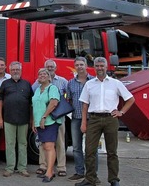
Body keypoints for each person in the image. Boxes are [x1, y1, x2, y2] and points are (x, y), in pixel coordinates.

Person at [77, 57, 135, 186]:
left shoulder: (115, 83)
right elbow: (85, 105)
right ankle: (90, 179)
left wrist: (122, 112)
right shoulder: (89, 84)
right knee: (90, 150)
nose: (99, 68)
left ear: (106, 67)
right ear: (94, 67)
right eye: (97, 66)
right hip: (94, 119)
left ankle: (114, 179)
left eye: (101, 66)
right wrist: (83, 122)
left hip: (111, 119)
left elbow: (130, 99)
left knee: (112, 151)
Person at [0, 61, 32, 177]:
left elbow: (31, 103)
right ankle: (10, 168)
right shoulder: (5, 84)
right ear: (10, 71)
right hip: (8, 119)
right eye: (13, 70)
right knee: (10, 144)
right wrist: (0, 118)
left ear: (21, 71)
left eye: (17, 69)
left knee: (23, 144)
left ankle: (22, 168)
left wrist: (31, 119)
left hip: (24, 119)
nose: (15, 71)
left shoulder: (27, 84)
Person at [33, 60, 68, 177]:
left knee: (59, 142)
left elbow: (66, 97)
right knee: (44, 144)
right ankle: (44, 166)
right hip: (41, 121)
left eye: (51, 67)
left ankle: (61, 167)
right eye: (47, 67)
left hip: (56, 118)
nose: (49, 68)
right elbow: (33, 99)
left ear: (55, 68)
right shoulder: (37, 86)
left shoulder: (62, 82)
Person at [31, 68, 61, 183]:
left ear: (49, 77)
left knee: (49, 146)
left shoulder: (52, 88)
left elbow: (54, 103)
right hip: (40, 123)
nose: (42, 75)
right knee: (44, 147)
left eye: (45, 74)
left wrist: (44, 117)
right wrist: (34, 121)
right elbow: (35, 107)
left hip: (49, 122)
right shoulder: (38, 89)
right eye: (40, 74)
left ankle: (49, 172)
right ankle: (50, 170)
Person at [66, 57, 94, 181]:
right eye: (77, 65)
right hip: (76, 118)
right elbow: (69, 100)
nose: (79, 66)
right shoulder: (70, 83)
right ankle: (79, 172)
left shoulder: (94, 81)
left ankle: (92, 174)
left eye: (81, 64)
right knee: (76, 147)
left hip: (92, 119)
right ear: (75, 67)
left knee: (91, 148)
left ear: (86, 65)